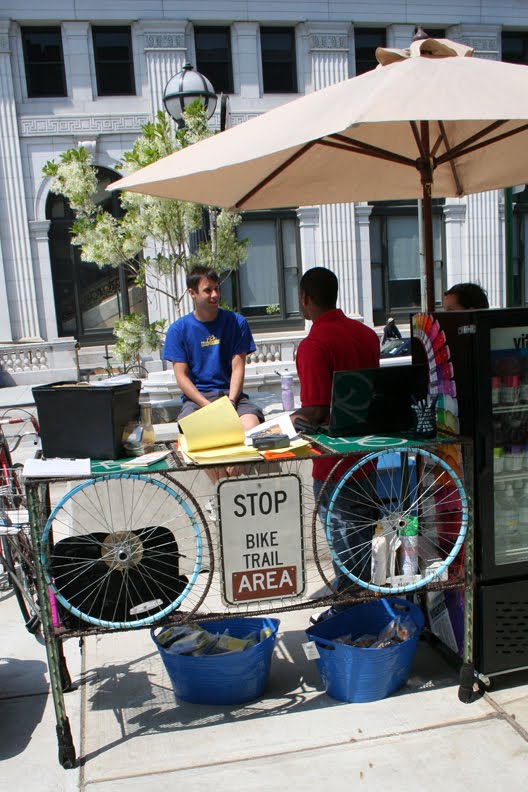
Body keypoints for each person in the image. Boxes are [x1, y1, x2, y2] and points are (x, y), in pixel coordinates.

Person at [290, 267, 380, 613]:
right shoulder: (365, 334)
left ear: (305, 298)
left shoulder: (314, 345)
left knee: (345, 548)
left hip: (332, 464)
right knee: (361, 542)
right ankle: (358, 608)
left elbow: (314, 410)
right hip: (366, 456)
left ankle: (350, 616)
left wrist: (289, 422)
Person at [163, 265, 263, 430]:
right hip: (197, 400)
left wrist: (231, 402)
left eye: (217, 289)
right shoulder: (178, 330)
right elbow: (181, 377)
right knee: (196, 431)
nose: (215, 295)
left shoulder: (237, 323)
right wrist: (207, 406)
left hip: (232, 396)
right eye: (208, 290)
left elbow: (238, 368)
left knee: (251, 427)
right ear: (192, 293)